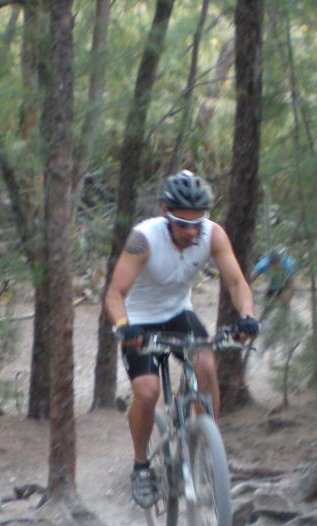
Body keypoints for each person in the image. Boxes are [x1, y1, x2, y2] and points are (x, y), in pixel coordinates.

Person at [103, 169, 259, 508]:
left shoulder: (213, 235)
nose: (190, 232)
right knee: (147, 393)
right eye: (181, 224)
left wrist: (247, 316)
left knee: (206, 363)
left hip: (178, 314)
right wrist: (123, 325)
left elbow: (236, 283)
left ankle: (206, 444)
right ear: (164, 213)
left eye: (196, 224)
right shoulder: (143, 239)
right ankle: (141, 465)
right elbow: (114, 292)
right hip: (140, 321)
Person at [247, 245, 296, 324]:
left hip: (285, 282)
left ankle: (286, 322)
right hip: (274, 282)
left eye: (275, 263)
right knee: (267, 305)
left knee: (284, 302)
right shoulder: (263, 264)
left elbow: (294, 285)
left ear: (280, 261)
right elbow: (250, 279)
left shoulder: (288, 265)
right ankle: (261, 323)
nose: (273, 265)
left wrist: (289, 296)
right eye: (271, 263)